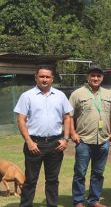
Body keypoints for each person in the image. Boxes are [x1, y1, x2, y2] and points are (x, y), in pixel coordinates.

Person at [14, 65, 72, 207]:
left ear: (52, 78)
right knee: (30, 180)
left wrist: (65, 139)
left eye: (47, 77)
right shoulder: (26, 96)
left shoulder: (60, 96)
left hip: (55, 144)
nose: (44, 79)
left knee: (52, 180)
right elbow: (21, 120)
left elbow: (67, 118)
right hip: (34, 144)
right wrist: (29, 141)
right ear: (36, 78)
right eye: (41, 76)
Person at [70, 65, 111, 207]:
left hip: (103, 141)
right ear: (87, 77)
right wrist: (73, 133)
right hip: (84, 140)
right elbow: (69, 116)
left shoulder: (108, 94)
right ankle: (78, 201)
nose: (95, 78)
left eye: (98, 76)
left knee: (98, 173)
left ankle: (94, 200)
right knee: (80, 173)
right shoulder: (77, 94)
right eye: (93, 75)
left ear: (102, 78)